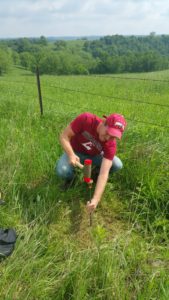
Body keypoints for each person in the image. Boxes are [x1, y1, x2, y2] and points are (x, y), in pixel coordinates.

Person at [56, 112, 127, 214]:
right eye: (107, 133)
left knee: (117, 164)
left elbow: (104, 173)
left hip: (95, 156)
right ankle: (71, 180)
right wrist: (71, 154)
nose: (108, 138)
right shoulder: (86, 119)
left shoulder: (110, 144)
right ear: (104, 122)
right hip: (75, 152)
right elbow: (64, 136)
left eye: (113, 137)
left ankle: (94, 174)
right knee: (62, 171)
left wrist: (95, 200)